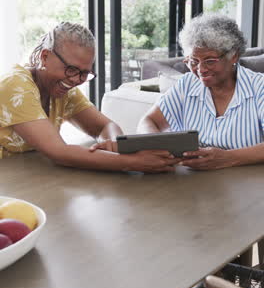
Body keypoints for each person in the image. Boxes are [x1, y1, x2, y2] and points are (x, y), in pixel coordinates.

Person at [0, 22, 177, 173]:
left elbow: (106, 126)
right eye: (72, 69)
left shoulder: (62, 89)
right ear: (45, 57)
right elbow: (58, 152)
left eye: (84, 73)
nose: (76, 80)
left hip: (26, 173)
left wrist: (114, 145)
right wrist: (133, 162)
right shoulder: (15, 86)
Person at [137, 13, 264, 170]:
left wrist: (229, 158)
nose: (201, 69)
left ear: (234, 56)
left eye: (210, 61)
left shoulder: (259, 88)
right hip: (192, 183)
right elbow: (149, 121)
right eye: (193, 61)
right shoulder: (187, 84)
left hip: (248, 184)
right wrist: (155, 147)